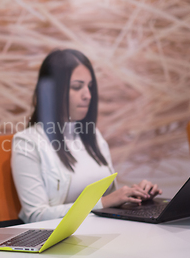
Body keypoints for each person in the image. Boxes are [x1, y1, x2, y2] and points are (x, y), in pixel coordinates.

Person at [11, 49, 162, 223]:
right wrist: (104, 202)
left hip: (105, 232)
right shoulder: (27, 142)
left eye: (89, 87)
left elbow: (109, 199)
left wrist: (135, 195)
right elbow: (35, 215)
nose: (88, 95)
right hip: (60, 242)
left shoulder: (92, 135)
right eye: (77, 87)